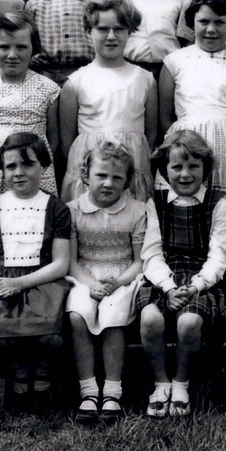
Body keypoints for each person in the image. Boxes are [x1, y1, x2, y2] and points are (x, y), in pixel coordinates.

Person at [0, 132, 71, 405]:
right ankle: (14, 378)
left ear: (44, 166)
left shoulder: (55, 208)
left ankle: (42, 377)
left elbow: (60, 263)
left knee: (49, 335)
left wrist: (20, 284)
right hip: (0, 281)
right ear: (2, 168)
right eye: (11, 166)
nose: (19, 172)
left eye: (28, 164)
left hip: (42, 282)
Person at [138, 130, 226, 418]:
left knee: (189, 323)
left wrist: (195, 286)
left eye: (194, 166)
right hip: (164, 274)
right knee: (150, 319)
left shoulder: (218, 202)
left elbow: (219, 255)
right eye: (177, 167)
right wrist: (167, 287)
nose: (185, 174)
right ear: (164, 170)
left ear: (206, 168)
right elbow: (151, 252)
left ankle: (181, 382)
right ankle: (161, 382)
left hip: (201, 278)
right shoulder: (155, 202)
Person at [66, 142, 146, 422]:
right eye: (101, 175)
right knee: (78, 315)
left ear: (127, 181)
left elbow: (139, 261)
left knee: (113, 317)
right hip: (83, 276)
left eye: (117, 177)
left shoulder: (137, 211)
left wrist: (117, 282)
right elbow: (70, 260)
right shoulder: (73, 210)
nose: (108, 183)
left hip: (123, 278)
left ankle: (112, 392)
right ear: (86, 175)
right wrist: (90, 284)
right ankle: (88, 391)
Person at [160, 0, 226, 197]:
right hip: (186, 147)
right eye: (203, 22)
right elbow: (165, 116)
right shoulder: (175, 61)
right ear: (192, 22)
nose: (211, 29)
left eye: (219, 22)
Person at [59, 0, 157, 204]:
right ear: (88, 31)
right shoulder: (76, 82)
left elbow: (150, 134)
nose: (111, 36)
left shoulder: (145, 79)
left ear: (129, 32)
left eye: (119, 29)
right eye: (103, 29)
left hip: (132, 169)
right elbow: (67, 142)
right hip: (88, 173)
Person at [0, 11, 61, 198]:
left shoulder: (49, 89)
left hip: (34, 169)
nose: (12, 55)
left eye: (21, 47)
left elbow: (54, 142)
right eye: (4, 47)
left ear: (33, 48)